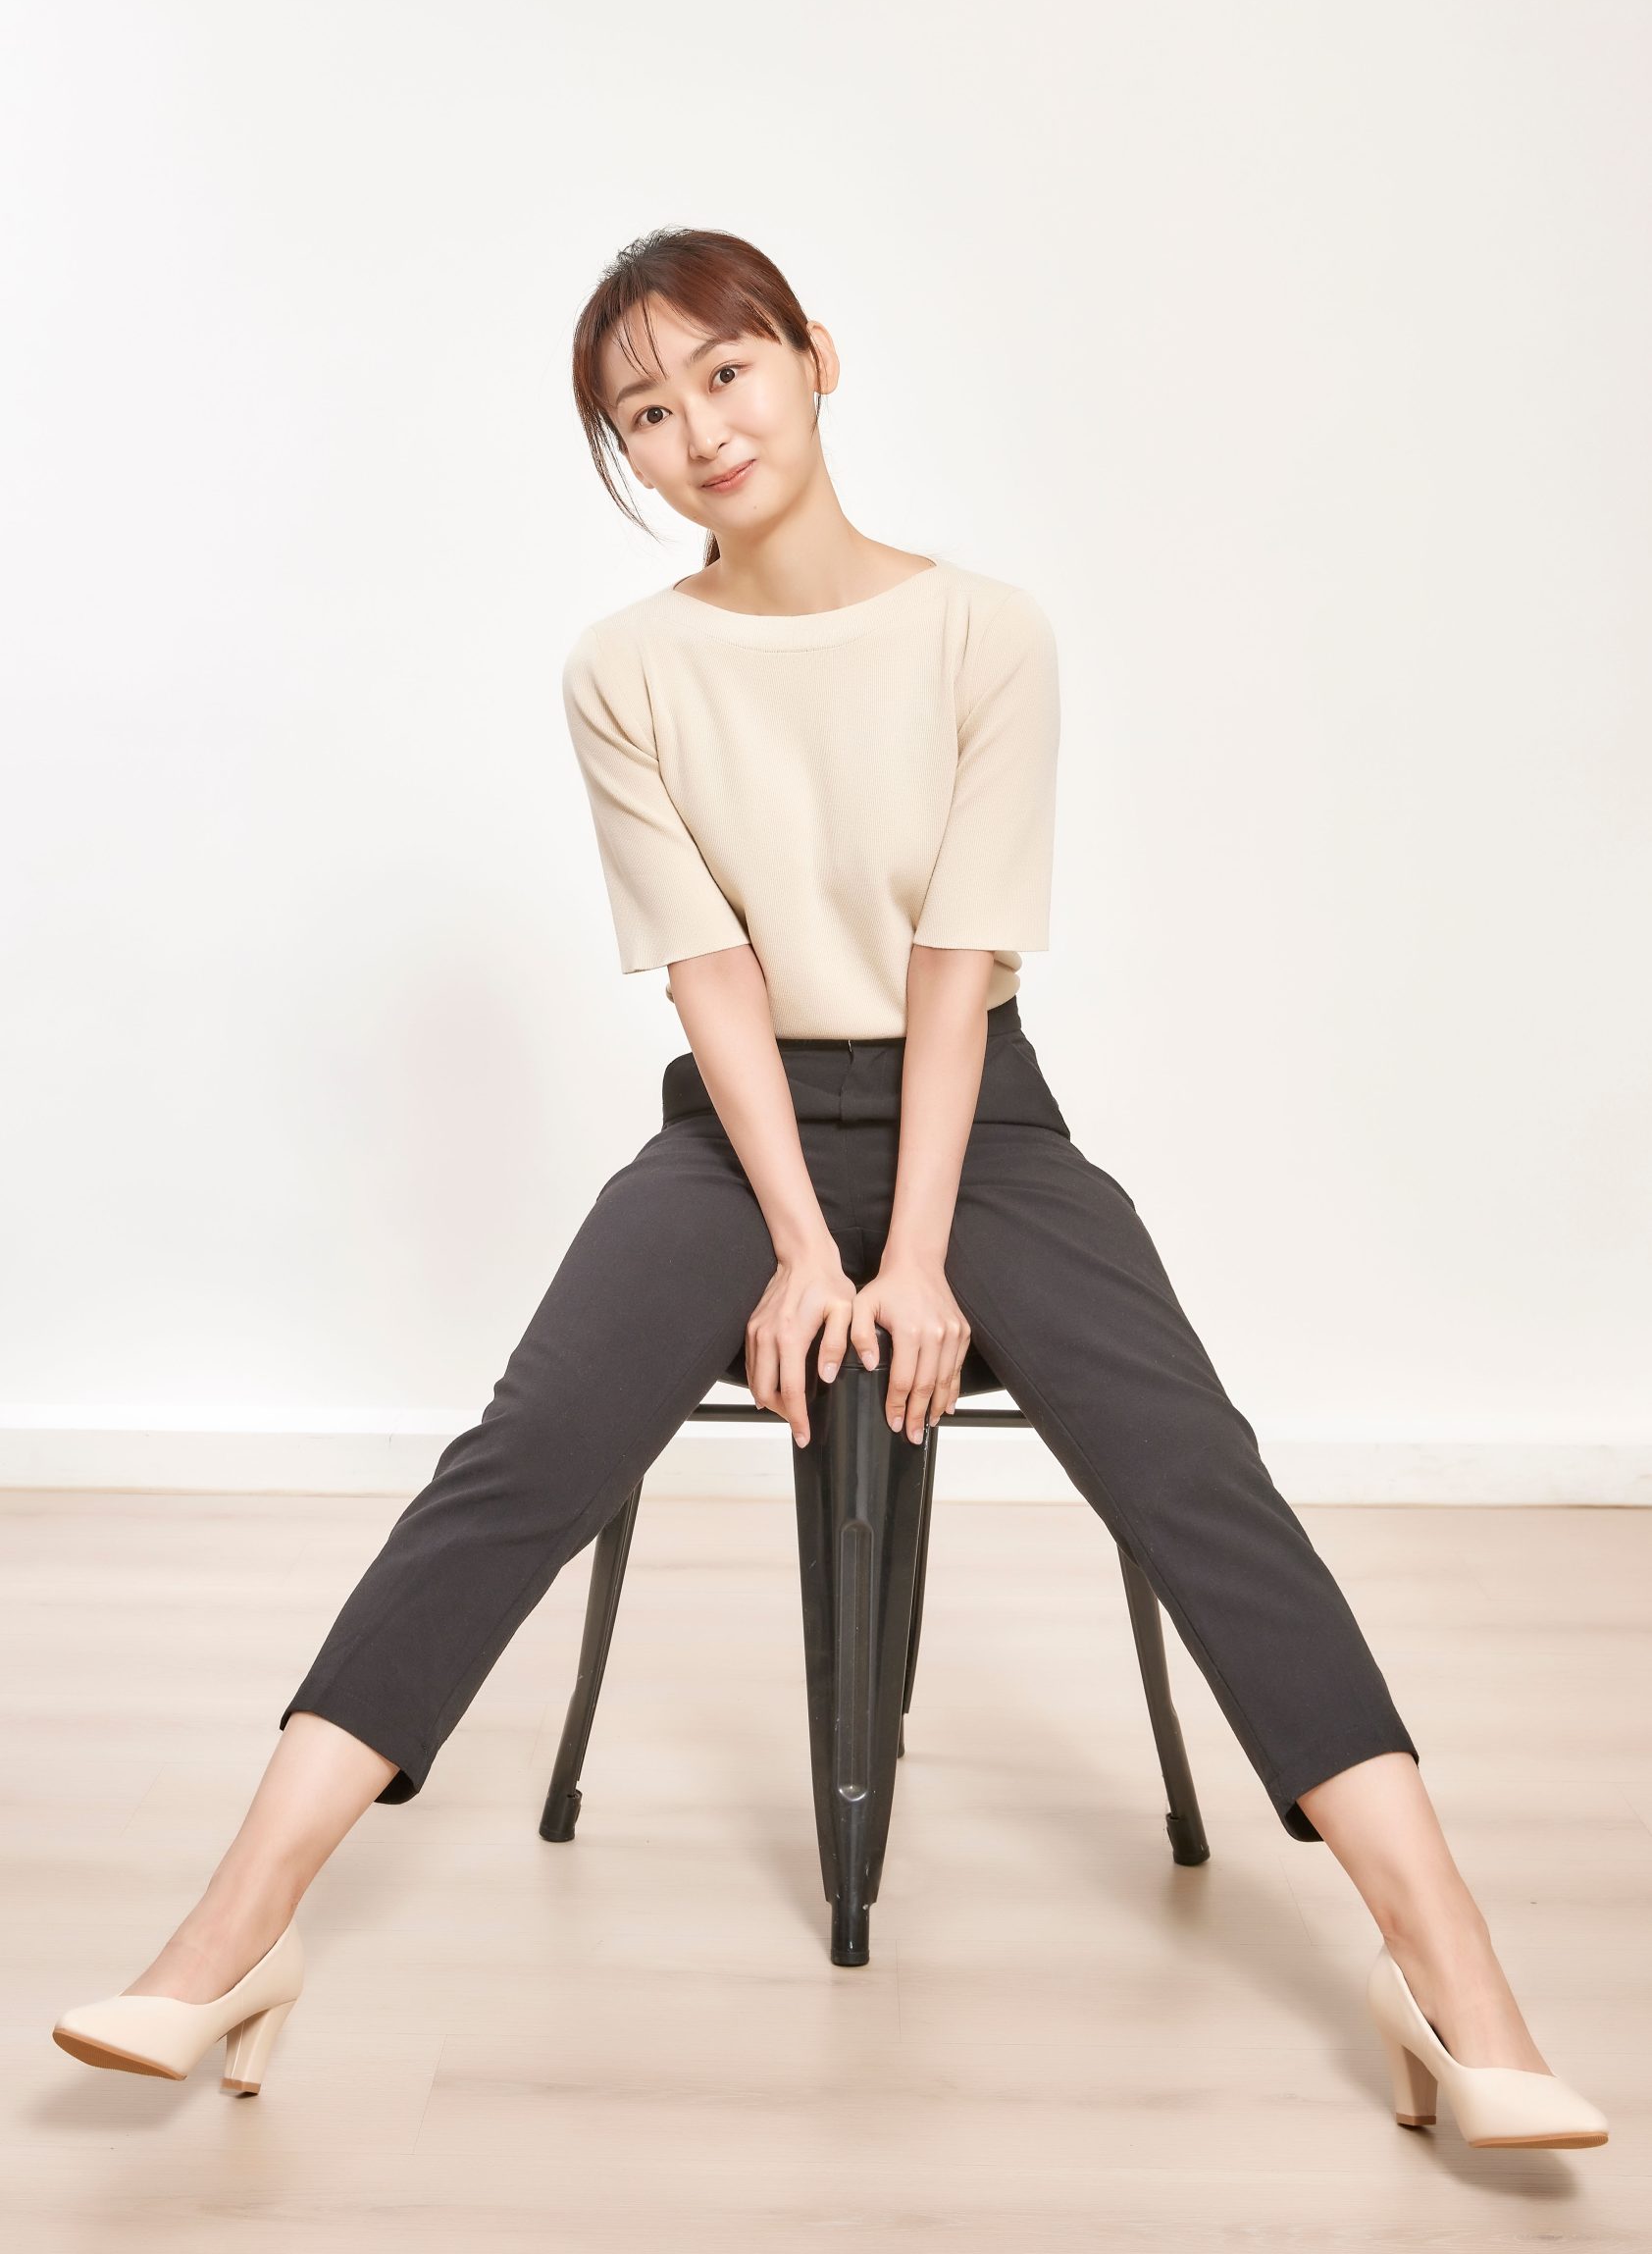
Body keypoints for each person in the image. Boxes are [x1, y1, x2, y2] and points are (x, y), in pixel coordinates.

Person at [50, 229, 1609, 2150]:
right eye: (643, 412)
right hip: (738, 1127)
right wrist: (802, 1238)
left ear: (812, 358)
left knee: (1193, 1465)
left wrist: (915, 1249)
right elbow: (712, 974)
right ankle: (228, 1937)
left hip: (985, 1125)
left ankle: (1451, 1976)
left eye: (725, 370)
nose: (697, 429)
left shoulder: (985, 633)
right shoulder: (625, 669)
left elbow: (955, 965)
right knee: (524, 1453)